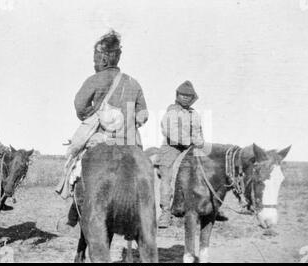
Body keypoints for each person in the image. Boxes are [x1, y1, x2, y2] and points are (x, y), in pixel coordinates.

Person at [56, 30, 149, 233]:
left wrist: (92, 115)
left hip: (100, 137)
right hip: (129, 141)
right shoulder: (134, 83)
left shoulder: (95, 79)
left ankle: (75, 207)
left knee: (75, 160)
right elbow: (144, 112)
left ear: (104, 58)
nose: (94, 63)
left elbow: (79, 104)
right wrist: (135, 119)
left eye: (96, 59)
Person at [156, 81, 228, 228]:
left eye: (188, 96)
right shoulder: (172, 112)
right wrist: (190, 142)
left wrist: (200, 143)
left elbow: (198, 133)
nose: (185, 98)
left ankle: (213, 206)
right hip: (172, 148)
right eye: (182, 95)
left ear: (192, 97)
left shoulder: (194, 114)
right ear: (177, 96)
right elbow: (171, 132)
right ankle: (165, 211)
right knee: (168, 176)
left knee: (208, 170)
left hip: (191, 147)